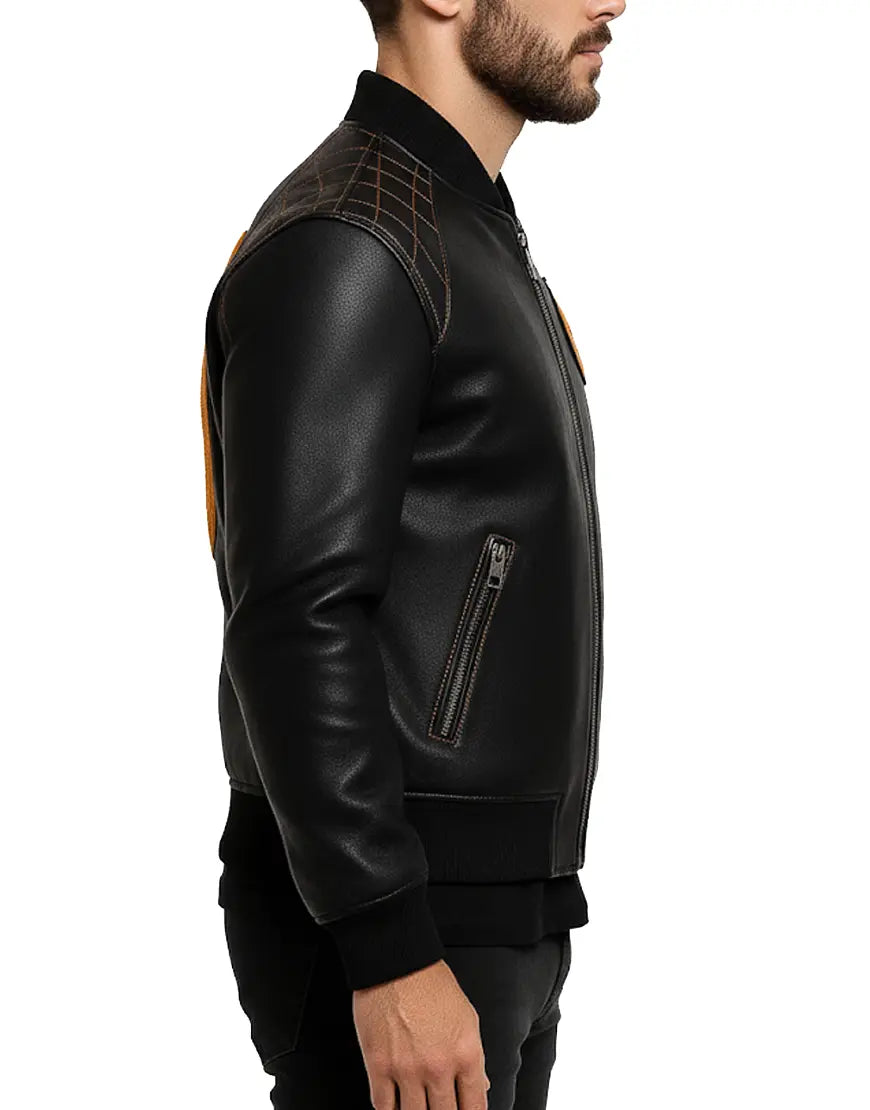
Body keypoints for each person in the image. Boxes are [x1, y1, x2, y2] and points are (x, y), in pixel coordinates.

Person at [199, 1, 625, 1106]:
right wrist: (388, 943)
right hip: (402, 927)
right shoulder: (353, 238)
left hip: (486, 910)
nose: (617, 0)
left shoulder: (458, 224)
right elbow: (294, 617)